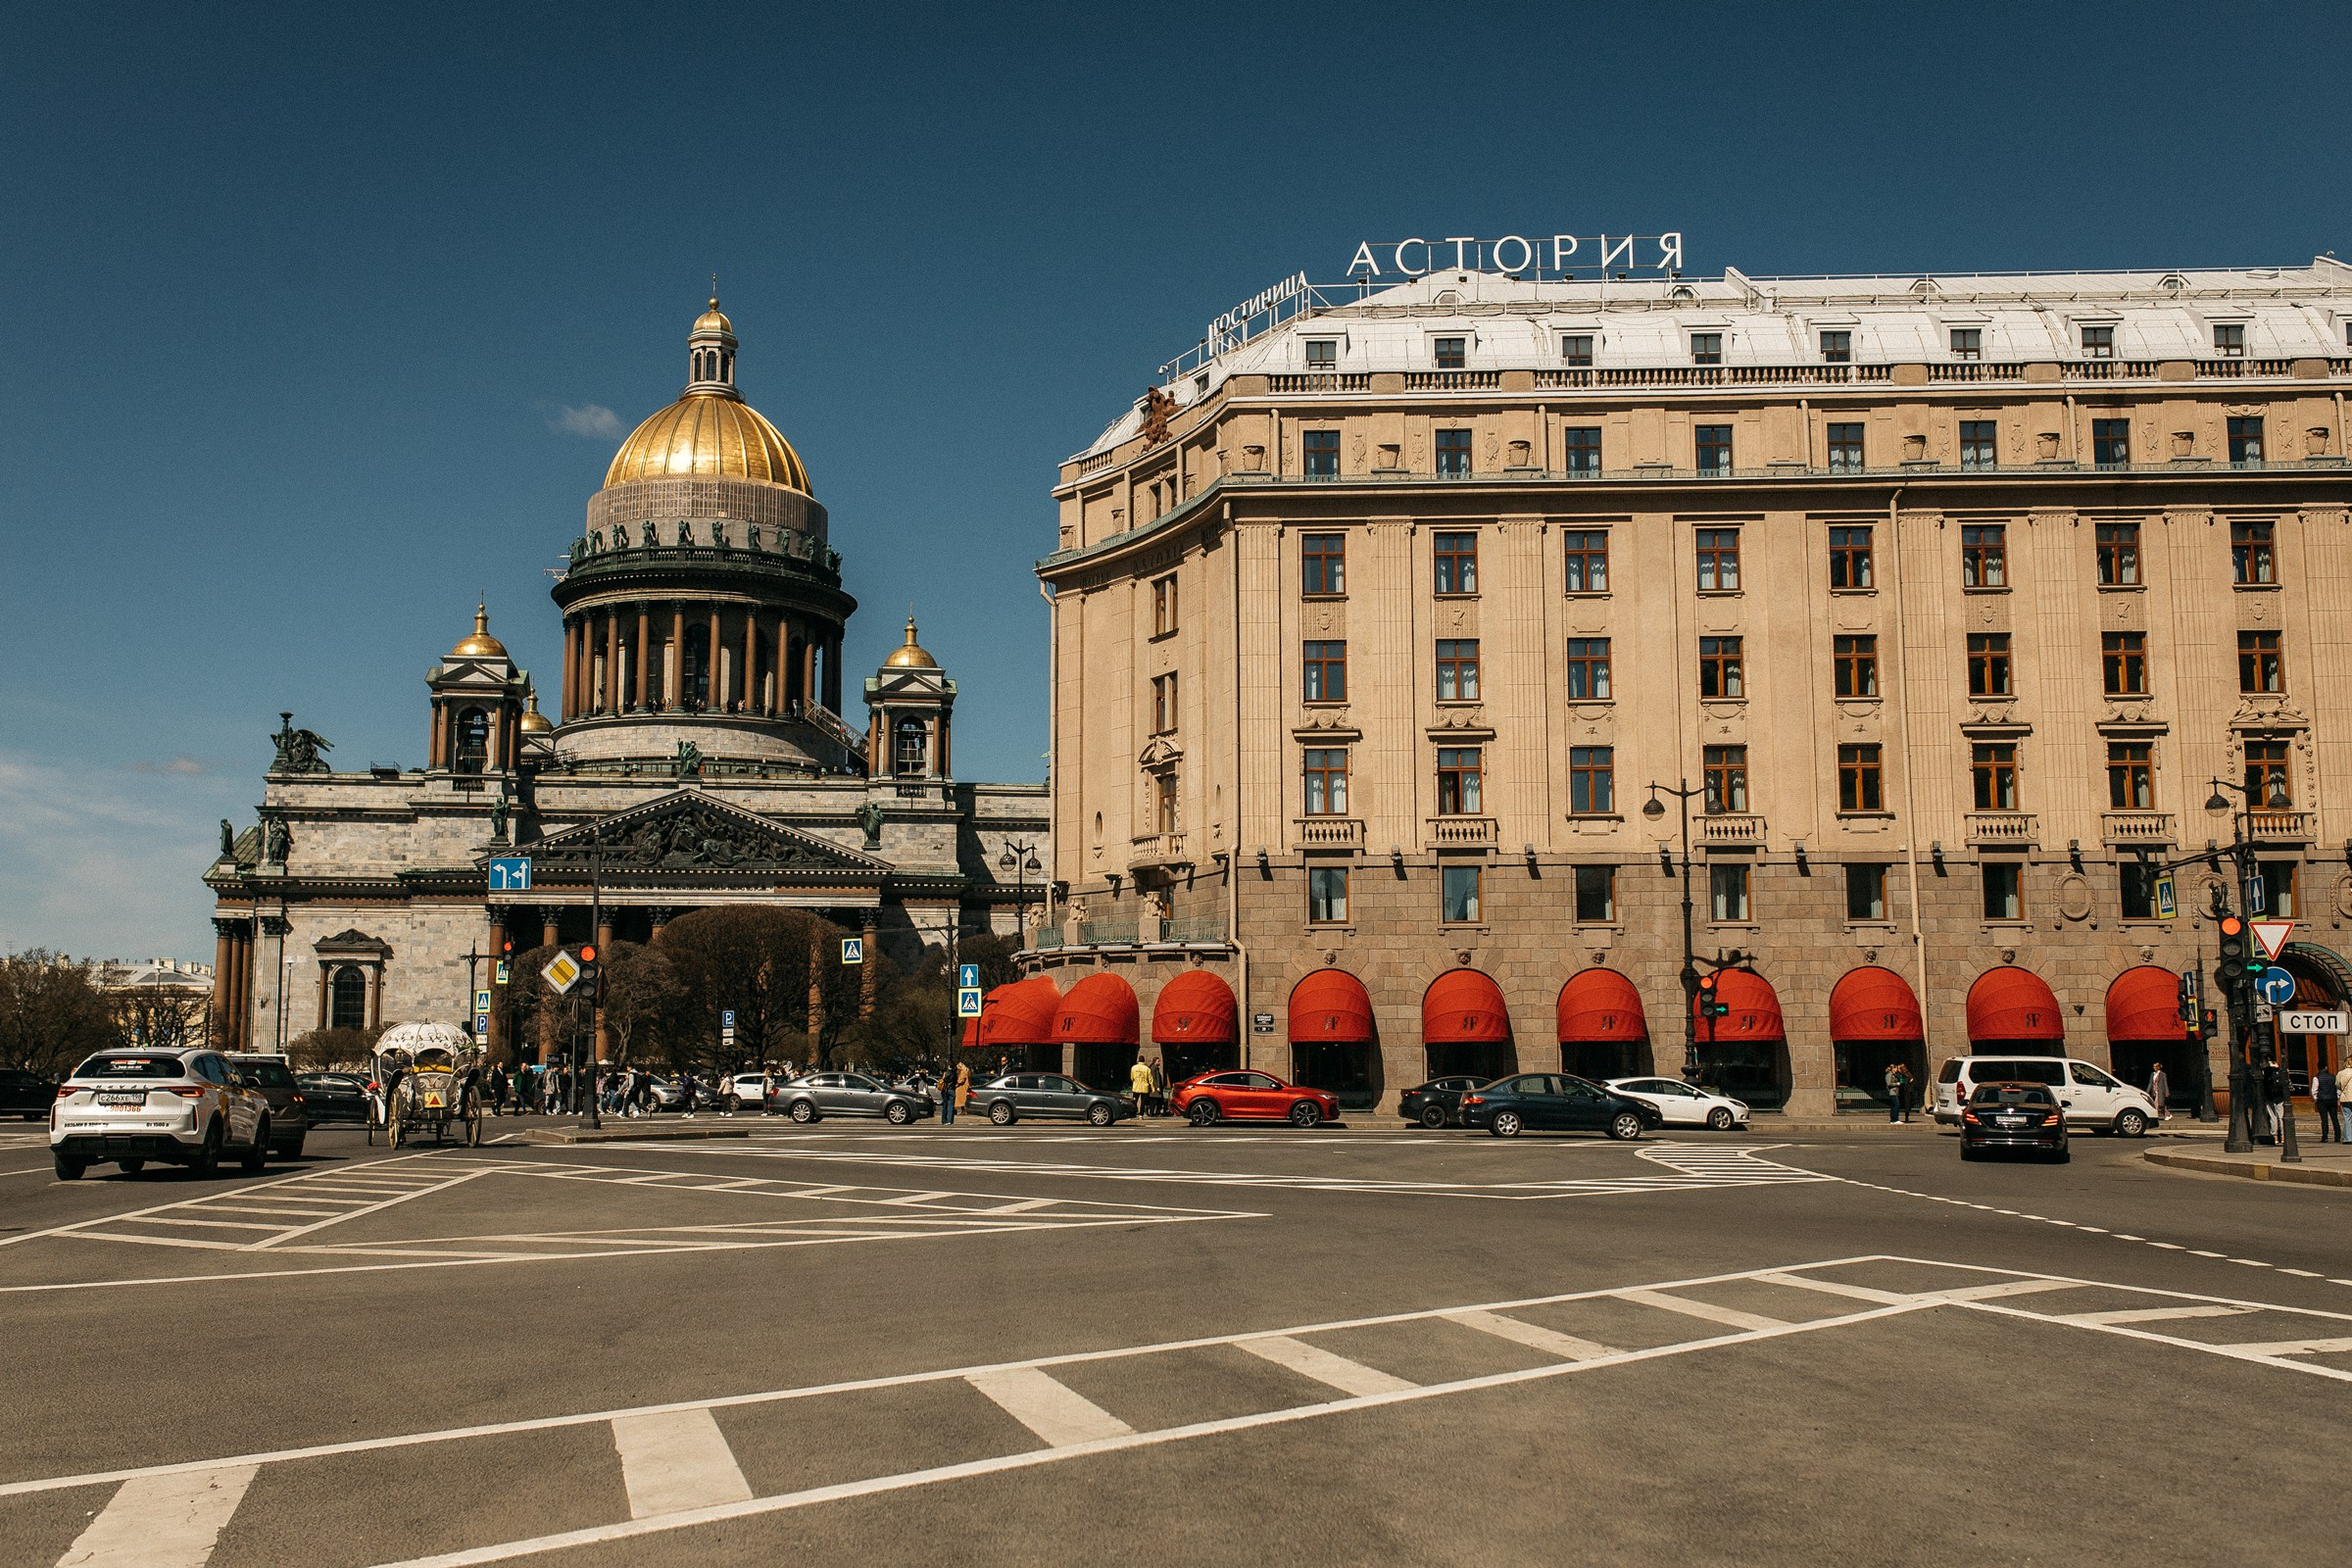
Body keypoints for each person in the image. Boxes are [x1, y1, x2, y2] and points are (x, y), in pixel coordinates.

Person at [2316, 1055, 2341, 1144]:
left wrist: (2316, 1098)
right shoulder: (2333, 1077)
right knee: (2334, 1118)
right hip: (2332, 1099)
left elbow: (2314, 1090)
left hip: (2322, 1100)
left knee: (2324, 1119)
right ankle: (2337, 1136)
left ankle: (2325, 1137)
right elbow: (2337, 1088)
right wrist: (2337, 1097)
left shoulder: (2317, 1077)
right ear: (2326, 1067)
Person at [2336, 1058, 2352, 1144]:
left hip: (2346, 1098)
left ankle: (2348, 1139)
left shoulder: (2341, 1073)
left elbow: (2337, 1084)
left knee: (2347, 1118)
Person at [1149, 1054, 1168, 1118]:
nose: (1159, 1062)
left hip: (1158, 1088)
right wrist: (1157, 1087)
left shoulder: (1156, 1068)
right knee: (1154, 1101)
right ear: (1155, 1062)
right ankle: (1152, 1112)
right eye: (1158, 1061)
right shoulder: (1153, 1068)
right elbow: (1154, 1078)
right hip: (1155, 1089)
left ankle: (1156, 1112)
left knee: (1160, 1101)